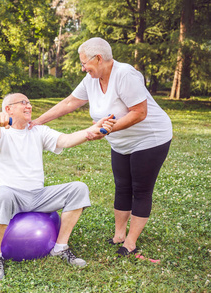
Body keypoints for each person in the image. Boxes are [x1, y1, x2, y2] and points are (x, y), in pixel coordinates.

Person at [30, 37, 172, 258]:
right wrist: (38, 121)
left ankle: (131, 242)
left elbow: (139, 113)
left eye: (84, 62)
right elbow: (69, 102)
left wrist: (107, 131)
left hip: (150, 138)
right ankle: (118, 235)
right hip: (121, 142)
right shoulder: (91, 80)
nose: (83, 67)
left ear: (98, 58)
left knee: (140, 189)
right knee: (122, 185)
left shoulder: (125, 74)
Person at [0, 92, 116, 280]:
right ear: (8, 109)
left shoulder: (38, 131)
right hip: (9, 195)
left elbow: (65, 140)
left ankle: (60, 247)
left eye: (29, 102)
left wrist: (91, 131)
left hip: (37, 196)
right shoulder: (0, 132)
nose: (29, 106)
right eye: (23, 103)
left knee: (78, 188)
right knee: (3, 193)